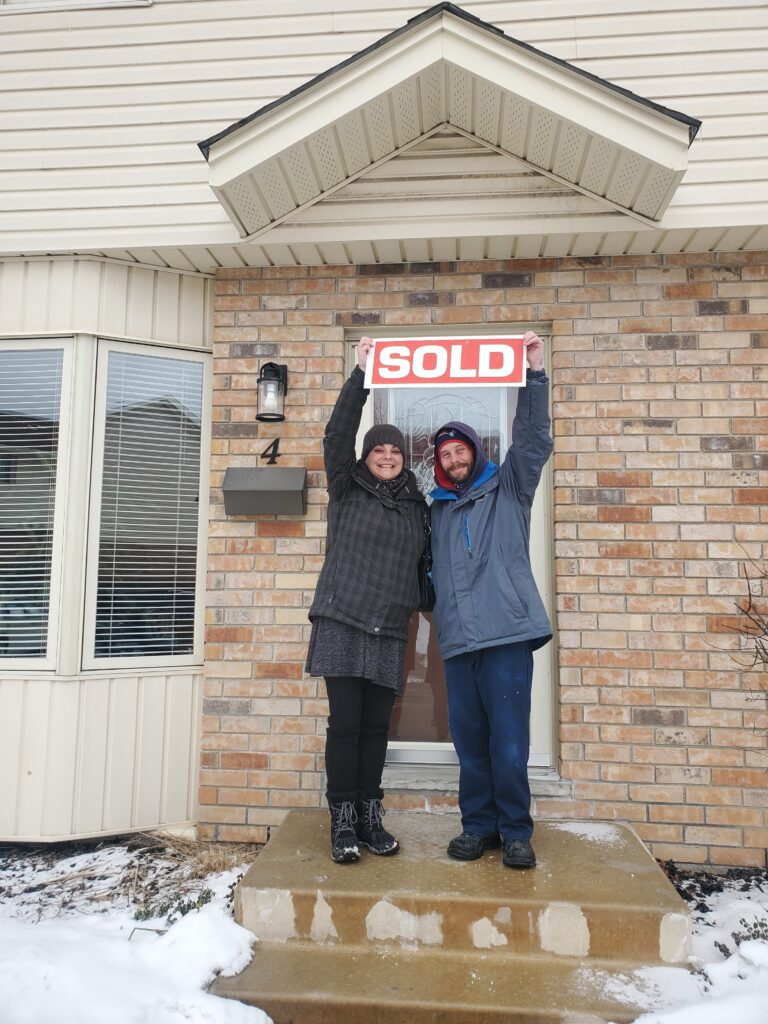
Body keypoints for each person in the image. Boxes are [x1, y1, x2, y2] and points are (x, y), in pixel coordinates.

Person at [429, 331, 553, 869]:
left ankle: (516, 830)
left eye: (461, 450)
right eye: (445, 455)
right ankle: (477, 827)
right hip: (459, 641)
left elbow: (532, 443)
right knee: (470, 746)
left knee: (508, 743)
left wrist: (534, 375)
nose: (454, 460)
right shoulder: (434, 510)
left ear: (476, 452)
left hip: (505, 636)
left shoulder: (509, 488)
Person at [306, 337, 427, 864]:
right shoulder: (345, 487)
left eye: (395, 450)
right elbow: (336, 433)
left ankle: (371, 815)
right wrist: (362, 374)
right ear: (366, 455)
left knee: (377, 728)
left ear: (404, 458)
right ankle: (342, 821)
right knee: (347, 726)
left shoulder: (417, 504)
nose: (386, 455)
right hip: (343, 618)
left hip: (389, 625)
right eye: (378, 448)